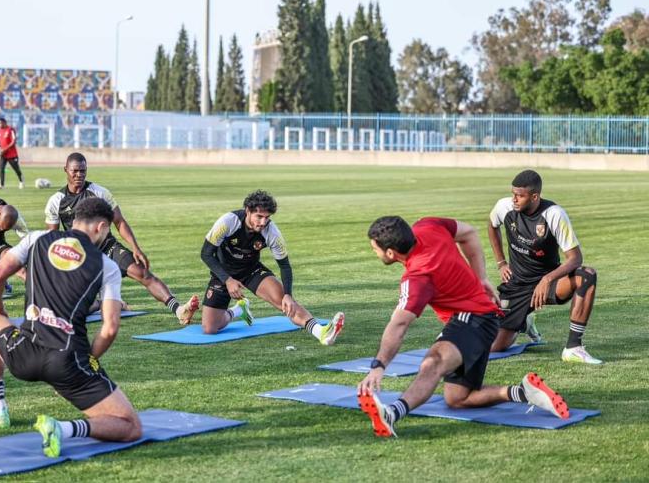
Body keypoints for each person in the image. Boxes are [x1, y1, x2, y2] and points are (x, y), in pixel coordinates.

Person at [357, 216, 569, 438]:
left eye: (375, 248)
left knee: (433, 363)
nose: (374, 252)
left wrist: (378, 366)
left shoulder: (418, 277)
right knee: (457, 398)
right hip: (480, 319)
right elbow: (468, 233)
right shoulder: (428, 226)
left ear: (390, 253)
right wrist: (481, 278)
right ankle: (523, 393)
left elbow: (399, 324)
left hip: (474, 317)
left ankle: (391, 414)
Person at [0, 198, 142, 458]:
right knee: (130, 426)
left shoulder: (37, 239)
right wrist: (89, 360)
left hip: (23, 353)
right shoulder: (106, 265)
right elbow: (109, 328)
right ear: (101, 227)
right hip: (67, 363)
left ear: (74, 221)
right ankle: (63, 429)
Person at [44, 152, 198, 324]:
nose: (79, 175)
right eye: (75, 171)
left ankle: (178, 310)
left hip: (107, 247)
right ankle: (101, 303)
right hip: (79, 254)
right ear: (65, 170)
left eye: (83, 171)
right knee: (72, 310)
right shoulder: (56, 201)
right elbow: (53, 238)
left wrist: (135, 248)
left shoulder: (99, 193)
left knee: (143, 273)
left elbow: (119, 222)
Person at [199, 190, 344, 345]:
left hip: (251, 270)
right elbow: (206, 254)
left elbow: (284, 265)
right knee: (210, 328)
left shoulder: (272, 232)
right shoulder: (228, 221)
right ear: (248, 211)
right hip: (224, 272)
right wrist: (227, 280)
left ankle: (321, 332)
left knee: (284, 301)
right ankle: (238, 310)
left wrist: (288, 294)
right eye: (259, 216)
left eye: (267, 217)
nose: (263, 222)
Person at [488, 169, 601, 364]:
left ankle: (573, 347)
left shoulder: (554, 214)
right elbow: (492, 225)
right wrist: (501, 262)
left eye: (520, 196)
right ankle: (525, 320)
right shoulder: (504, 206)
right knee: (495, 347)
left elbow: (575, 258)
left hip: (550, 283)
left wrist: (547, 278)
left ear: (534, 197)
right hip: (517, 285)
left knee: (587, 275)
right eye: (513, 193)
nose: (514, 199)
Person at [0, 117, 24, 189]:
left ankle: (21, 180)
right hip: (3, 154)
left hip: (12, 154)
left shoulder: (10, 130)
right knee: (1, 169)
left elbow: (13, 141)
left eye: (0, 123)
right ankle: (1, 185)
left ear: (5, 122)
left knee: (16, 169)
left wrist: (5, 149)